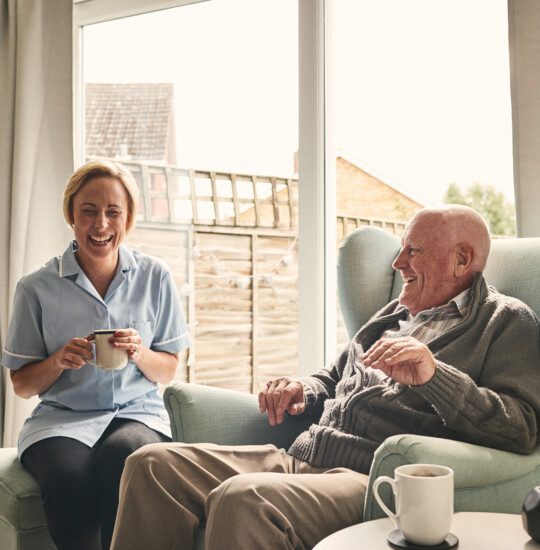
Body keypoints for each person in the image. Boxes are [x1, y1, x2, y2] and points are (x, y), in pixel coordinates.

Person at [110, 205, 540, 550]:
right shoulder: (394, 314)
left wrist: (433, 375)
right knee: (150, 465)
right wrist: (305, 388)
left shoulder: (505, 322)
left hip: (369, 477)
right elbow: (334, 376)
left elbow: (522, 429)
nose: (398, 261)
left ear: (462, 258)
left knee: (243, 499)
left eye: (414, 251)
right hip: (303, 454)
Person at [1, 160, 191, 550]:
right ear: (72, 214)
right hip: (61, 419)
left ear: (128, 218)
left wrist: (138, 352)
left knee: (124, 459)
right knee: (67, 477)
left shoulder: (156, 276)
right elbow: (21, 384)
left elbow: (169, 367)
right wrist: (57, 361)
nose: (100, 224)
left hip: (136, 413)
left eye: (112, 212)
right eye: (88, 211)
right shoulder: (35, 288)